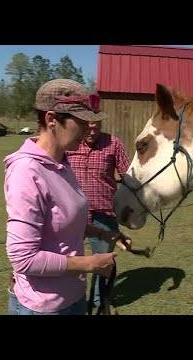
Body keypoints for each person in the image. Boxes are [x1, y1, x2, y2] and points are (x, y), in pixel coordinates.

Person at [3, 78, 132, 315]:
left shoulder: (62, 162)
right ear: (51, 119)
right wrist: (89, 264)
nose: (87, 130)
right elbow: (24, 259)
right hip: (44, 306)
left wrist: (104, 233)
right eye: (80, 122)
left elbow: (64, 220)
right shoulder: (27, 171)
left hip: (72, 297)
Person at [66, 113, 130, 315]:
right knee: (69, 259)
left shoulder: (113, 143)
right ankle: (72, 301)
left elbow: (128, 175)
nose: (92, 130)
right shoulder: (70, 144)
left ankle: (102, 302)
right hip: (72, 215)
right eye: (88, 126)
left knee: (104, 260)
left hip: (104, 214)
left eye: (97, 126)